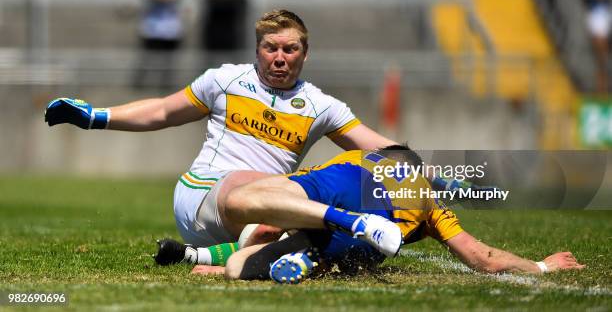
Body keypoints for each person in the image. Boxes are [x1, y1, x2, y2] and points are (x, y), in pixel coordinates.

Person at [45, 9, 405, 249]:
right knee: (255, 186)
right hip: (204, 194)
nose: (280, 57)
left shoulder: (321, 106)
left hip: (265, 211)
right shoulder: (225, 80)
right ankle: (351, 222)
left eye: (290, 49)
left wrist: (445, 177)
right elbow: (162, 111)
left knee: (293, 233)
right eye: (271, 48)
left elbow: (382, 150)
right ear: (258, 49)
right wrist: (95, 117)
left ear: (305, 54)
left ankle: (212, 260)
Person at [163, 146, 585, 284]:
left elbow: (284, 207)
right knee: (352, 255)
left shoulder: (357, 157)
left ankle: (200, 258)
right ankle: (319, 258)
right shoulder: (429, 202)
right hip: (373, 230)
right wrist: (541, 265)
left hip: (335, 186)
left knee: (258, 230)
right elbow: (480, 257)